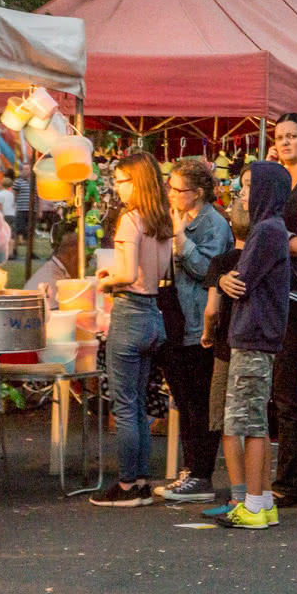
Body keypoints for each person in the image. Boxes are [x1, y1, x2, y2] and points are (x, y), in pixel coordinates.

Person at [227, 113, 297, 505]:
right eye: (280, 137)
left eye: (293, 136)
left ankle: (290, 481)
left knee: (287, 387)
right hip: (275, 290)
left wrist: (273, 243)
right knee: (279, 390)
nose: (286, 142)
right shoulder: (276, 181)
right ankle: (296, 474)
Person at [90, 152, 174, 508]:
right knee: (138, 404)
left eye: (122, 181)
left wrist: (106, 281)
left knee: (124, 406)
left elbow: (125, 274)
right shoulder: (162, 219)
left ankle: (126, 485)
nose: (117, 188)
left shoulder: (130, 219)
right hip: (154, 313)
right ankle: (140, 480)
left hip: (129, 313)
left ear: (137, 182)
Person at [215, 161, 292, 529]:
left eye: (247, 186)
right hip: (258, 334)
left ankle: (253, 504)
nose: (241, 193)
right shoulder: (273, 230)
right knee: (252, 420)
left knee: (245, 423)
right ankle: (260, 502)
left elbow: (240, 281)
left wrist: (225, 278)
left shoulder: (266, 231)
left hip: (253, 334)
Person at [153, 159, 233, 503]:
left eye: (177, 189)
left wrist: (182, 240)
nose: (170, 194)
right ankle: (191, 467)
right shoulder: (178, 218)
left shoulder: (212, 224)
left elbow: (209, 269)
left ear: (197, 193)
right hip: (176, 316)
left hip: (201, 320)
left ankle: (202, 473)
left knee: (200, 400)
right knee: (183, 399)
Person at [199, 200, 250, 520]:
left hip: (226, 348)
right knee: (252, 424)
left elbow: (211, 309)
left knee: (228, 422)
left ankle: (238, 495)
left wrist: (207, 333)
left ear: (230, 226)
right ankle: (258, 493)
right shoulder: (262, 259)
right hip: (255, 346)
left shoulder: (221, 262)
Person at [25, 221, 81, 305]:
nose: (86, 266)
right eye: (86, 259)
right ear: (72, 254)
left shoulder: (55, 271)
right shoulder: (52, 281)